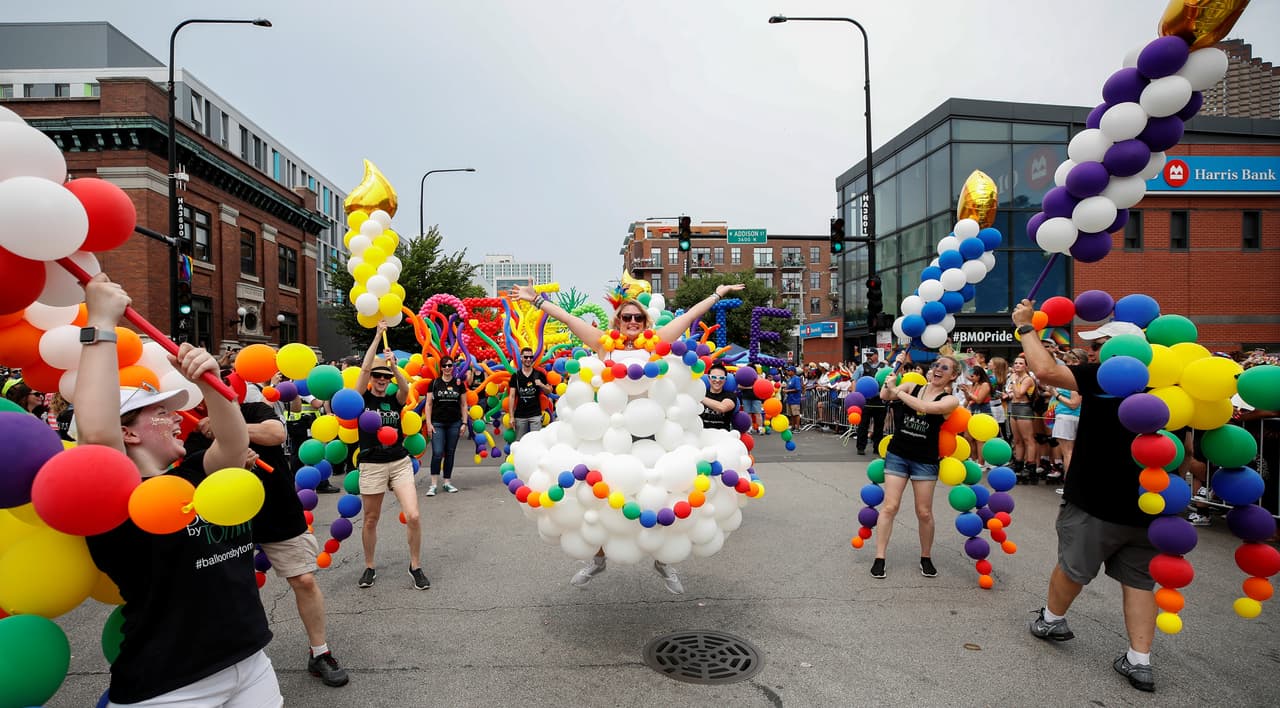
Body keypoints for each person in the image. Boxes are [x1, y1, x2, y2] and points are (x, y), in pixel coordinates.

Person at [75, 274, 282, 706]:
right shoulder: (114, 498)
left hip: (250, 662)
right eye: (158, 413)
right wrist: (101, 325)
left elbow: (233, 445)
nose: (175, 418)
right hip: (169, 685)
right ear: (127, 433)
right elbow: (96, 436)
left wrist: (210, 382)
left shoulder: (191, 474)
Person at [512, 280, 746, 593]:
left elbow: (690, 316)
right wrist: (536, 300)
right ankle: (597, 559)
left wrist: (717, 294)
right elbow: (568, 318)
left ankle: (664, 561)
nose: (632, 322)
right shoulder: (604, 344)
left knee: (664, 494)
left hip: (655, 432)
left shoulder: (656, 342)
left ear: (646, 321)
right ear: (618, 321)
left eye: (638, 317)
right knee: (598, 496)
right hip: (612, 431)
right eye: (627, 317)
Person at [1015, 305, 1157, 693]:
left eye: (1099, 345)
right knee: (1140, 582)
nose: (1092, 353)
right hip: (1151, 505)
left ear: (1120, 349)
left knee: (1073, 567)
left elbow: (1046, 371)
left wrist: (1025, 326)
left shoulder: (1108, 375)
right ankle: (1140, 660)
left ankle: (1051, 620)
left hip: (1096, 498)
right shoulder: (1166, 385)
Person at [185, 388, 349, 687]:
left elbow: (275, 433)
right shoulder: (194, 427)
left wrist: (230, 432)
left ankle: (320, 652)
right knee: (228, 590)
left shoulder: (254, 410)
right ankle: (231, 661)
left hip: (278, 510)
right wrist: (228, 457)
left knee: (304, 580)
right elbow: (192, 473)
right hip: (227, 521)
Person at [869, 352, 961, 580]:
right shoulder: (912, 385)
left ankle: (926, 557)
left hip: (925, 460)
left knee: (924, 512)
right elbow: (885, 395)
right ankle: (879, 558)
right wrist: (893, 375)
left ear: (953, 376)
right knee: (890, 506)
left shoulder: (950, 400)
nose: (938, 369)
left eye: (945, 368)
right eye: (936, 365)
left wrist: (898, 391)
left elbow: (925, 407)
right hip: (898, 454)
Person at [354, 322, 428, 591]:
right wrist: (376, 337)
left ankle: (415, 566)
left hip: (398, 462)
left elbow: (405, 389)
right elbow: (364, 369)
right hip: (372, 463)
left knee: (414, 515)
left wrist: (394, 366)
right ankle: (369, 566)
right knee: (370, 519)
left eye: (385, 376)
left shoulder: (395, 399)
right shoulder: (362, 398)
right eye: (378, 376)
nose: (381, 379)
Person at [424, 354, 468, 495]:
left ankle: (447, 482)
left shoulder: (458, 384)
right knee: (437, 452)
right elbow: (428, 404)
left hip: (454, 423)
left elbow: (464, 404)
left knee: (450, 452)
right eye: (445, 366)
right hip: (437, 423)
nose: (447, 368)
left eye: (450, 365)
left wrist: (464, 423)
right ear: (441, 368)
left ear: (453, 367)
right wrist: (429, 423)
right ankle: (433, 484)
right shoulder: (434, 383)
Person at [1048, 349, 1085, 495]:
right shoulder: (1076, 377)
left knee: (1068, 453)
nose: (1066, 364)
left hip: (1067, 417)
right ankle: (1073, 485)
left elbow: (1074, 403)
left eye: (1068, 361)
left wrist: (1056, 394)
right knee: (1070, 452)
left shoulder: (1074, 378)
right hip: (1070, 417)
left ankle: (1069, 486)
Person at [1006, 356, 1039, 484]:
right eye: (1015, 363)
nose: (1017, 365)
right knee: (1017, 439)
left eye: (1020, 363)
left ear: (1026, 366)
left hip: (1024, 408)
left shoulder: (1027, 379)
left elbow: (1019, 394)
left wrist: (1014, 381)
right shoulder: (1016, 378)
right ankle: (1018, 464)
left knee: (1028, 439)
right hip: (1014, 408)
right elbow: (1013, 394)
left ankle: (1030, 467)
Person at [509, 347, 552, 441]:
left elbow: (549, 391)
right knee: (520, 441)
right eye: (526, 357)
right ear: (521, 358)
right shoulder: (516, 376)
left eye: (530, 357)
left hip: (535, 414)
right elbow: (512, 396)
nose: (528, 359)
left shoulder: (539, 374)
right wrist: (511, 416)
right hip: (520, 415)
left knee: (536, 441)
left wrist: (541, 385)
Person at [855, 350, 887, 455]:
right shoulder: (862, 367)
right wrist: (855, 396)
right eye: (867, 355)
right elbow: (854, 380)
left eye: (870, 355)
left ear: (877, 355)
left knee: (879, 427)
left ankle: (877, 448)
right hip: (866, 401)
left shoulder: (884, 367)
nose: (868, 357)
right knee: (863, 425)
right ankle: (861, 447)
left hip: (880, 401)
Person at [699, 363, 737, 431]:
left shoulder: (731, 395)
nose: (717, 380)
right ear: (709, 378)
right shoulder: (702, 393)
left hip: (722, 436)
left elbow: (722, 407)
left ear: (725, 380)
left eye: (721, 378)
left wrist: (699, 397)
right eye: (714, 377)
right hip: (702, 434)